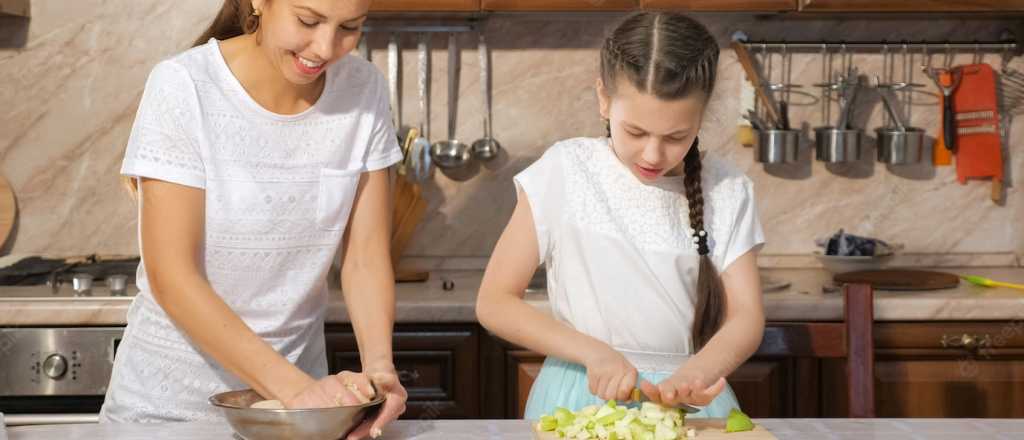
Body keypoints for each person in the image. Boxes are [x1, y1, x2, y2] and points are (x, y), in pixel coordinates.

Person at [100, 1, 407, 438]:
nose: (324, 47)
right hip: (167, 412)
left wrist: (380, 371)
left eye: (349, 28)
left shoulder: (364, 90)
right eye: (308, 20)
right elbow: (172, 276)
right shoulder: (184, 85)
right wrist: (297, 391)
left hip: (295, 417)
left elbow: (365, 258)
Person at [476, 11, 766, 420]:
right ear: (603, 98)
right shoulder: (565, 170)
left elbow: (747, 317)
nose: (652, 154)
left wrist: (698, 373)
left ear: (702, 116)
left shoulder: (727, 189)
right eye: (635, 132)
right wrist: (593, 353)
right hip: (578, 392)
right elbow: (495, 302)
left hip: (686, 403)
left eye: (676, 137)